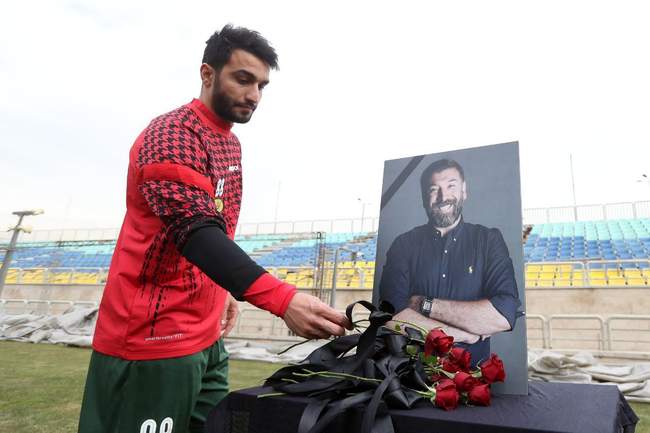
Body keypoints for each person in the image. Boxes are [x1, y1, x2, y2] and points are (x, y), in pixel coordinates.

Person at [78, 25, 350, 433]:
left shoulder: (229, 142)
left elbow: (218, 226)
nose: (254, 95)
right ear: (207, 74)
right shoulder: (171, 134)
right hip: (152, 341)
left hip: (207, 338)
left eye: (261, 85)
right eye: (243, 79)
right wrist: (281, 299)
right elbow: (196, 231)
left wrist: (221, 292)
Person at [379, 158, 520, 364]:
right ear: (424, 197)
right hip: (410, 374)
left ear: (464, 191)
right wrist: (462, 335)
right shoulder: (403, 244)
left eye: (451, 186)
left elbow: (503, 314)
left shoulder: (488, 240)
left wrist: (423, 304)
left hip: (470, 377)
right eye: (433, 189)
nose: (443, 197)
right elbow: (391, 316)